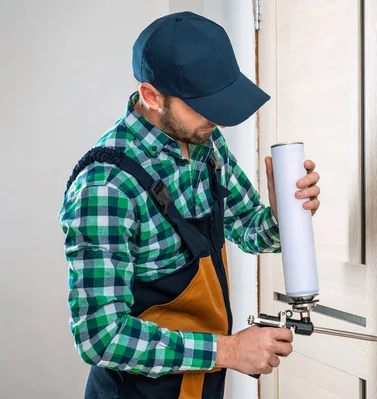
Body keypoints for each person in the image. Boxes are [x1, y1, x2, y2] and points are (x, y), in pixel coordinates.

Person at [59, 11, 321, 399]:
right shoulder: (107, 186)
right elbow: (101, 336)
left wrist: (283, 219)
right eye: (201, 104)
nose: (217, 120)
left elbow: (248, 228)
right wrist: (229, 350)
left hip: (199, 386)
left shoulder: (205, 143)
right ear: (151, 96)